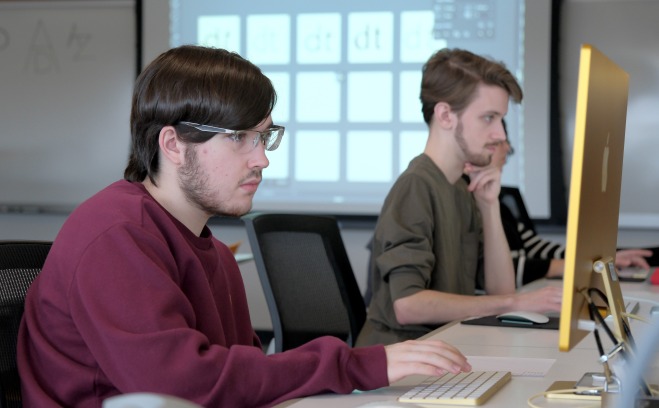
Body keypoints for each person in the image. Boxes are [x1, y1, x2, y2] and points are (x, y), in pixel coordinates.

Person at [17, 45, 472, 408]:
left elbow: (241, 377)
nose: (262, 158)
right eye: (239, 137)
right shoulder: (114, 235)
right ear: (173, 144)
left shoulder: (210, 250)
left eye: (265, 136)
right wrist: (356, 366)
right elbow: (182, 386)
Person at [356, 48, 563, 347]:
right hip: (402, 359)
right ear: (445, 116)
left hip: (447, 346)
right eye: (489, 118)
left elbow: (500, 290)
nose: (500, 135)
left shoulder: (459, 188)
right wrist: (512, 304)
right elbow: (408, 305)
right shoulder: (416, 186)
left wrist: (489, 206)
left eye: (501, 119)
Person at [490, 124, 655, 286]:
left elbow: (537, 249)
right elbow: (497, 271)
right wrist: (580, 266)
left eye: (506, 141)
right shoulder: (476, 207)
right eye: (499, 142)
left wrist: (604, 257)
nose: (508, 148)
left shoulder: (501, 207)